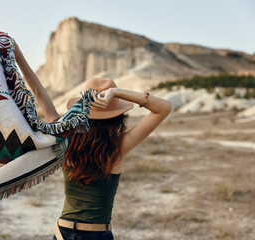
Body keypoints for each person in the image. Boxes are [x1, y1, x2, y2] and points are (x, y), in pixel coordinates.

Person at [14, 43, 172, 240]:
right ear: (118, 117)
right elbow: (163, 108)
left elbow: (38, 91)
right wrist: (118, 93)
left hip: (61, 233)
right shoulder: (118, 148)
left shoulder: (64, 138)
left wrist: (17, 54)